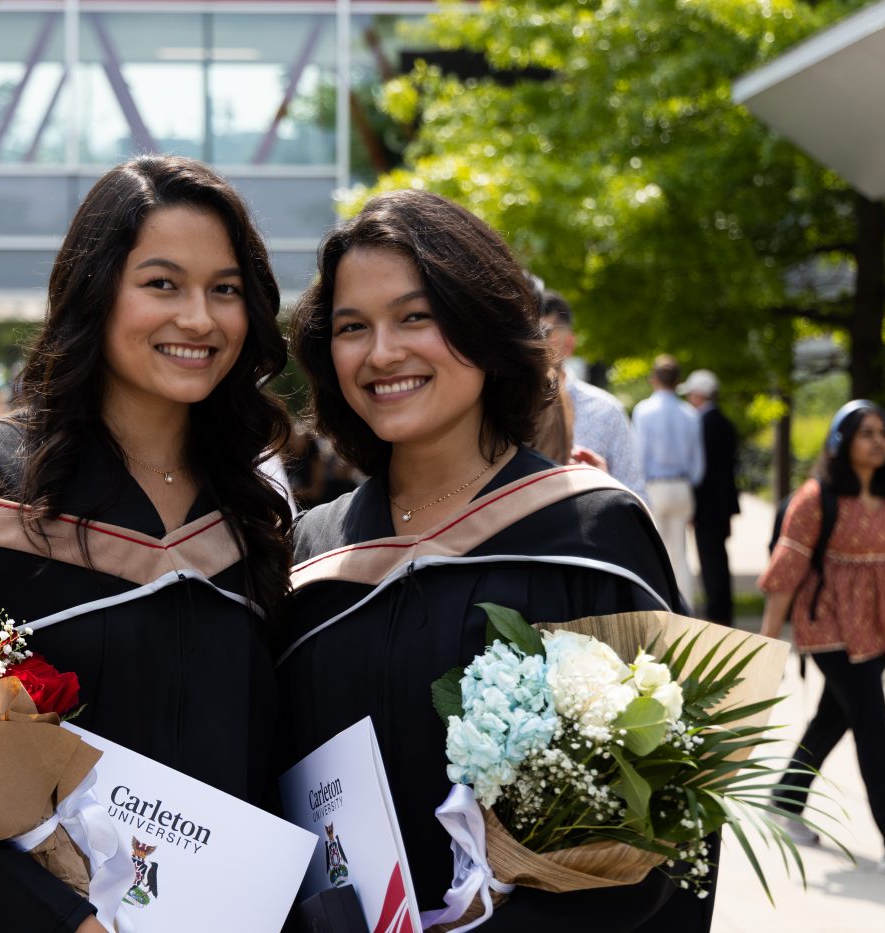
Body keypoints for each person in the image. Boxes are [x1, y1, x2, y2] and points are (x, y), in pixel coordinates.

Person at [0, 155, 293, 933]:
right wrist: (63, 921)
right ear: (97, 290)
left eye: (225, 289)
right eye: (162, 283)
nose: (199, 317)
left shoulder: (249, 516)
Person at [280, 190, 708, 931]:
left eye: (416, 316)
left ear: (480, 323)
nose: (383, 353)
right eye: (354, 328)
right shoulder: (316, 547)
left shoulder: (588, 531)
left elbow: (660, 824)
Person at [759, 400, 885, 876]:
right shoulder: (816, 497)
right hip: (828, 626)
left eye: (882, 434)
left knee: (836, 715)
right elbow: (786, 573)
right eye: (866, 433)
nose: (877, 441)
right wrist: (769, 644)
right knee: (872, 719)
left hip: (878, 628)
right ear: (841, 441)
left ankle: (785, 798)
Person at [538, 292, 647, 499]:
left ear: (569, 343)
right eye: (526, 334)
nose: (535, 345)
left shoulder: (605, 411)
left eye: (545, 334)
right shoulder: (501, 409)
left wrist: (601, 486)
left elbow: (637, 496)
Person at [632, 354, 704, 609]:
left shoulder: (644, 410)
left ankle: (659, 605)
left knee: (655, 553)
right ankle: (686, 611)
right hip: (682, 486)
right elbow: (698, 462)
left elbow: (638, 455)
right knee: (680, 554)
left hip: (655, 486)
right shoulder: (690, 413)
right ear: (678, 381)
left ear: (654, 379)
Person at [680, 369, 739, 625]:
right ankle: (721, 608)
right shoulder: (725, 422)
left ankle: (716, 612)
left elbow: (701, 469)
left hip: (707, 505)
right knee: (719, 558)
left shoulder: (702, 423)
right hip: (722, 503)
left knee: (710, 559)